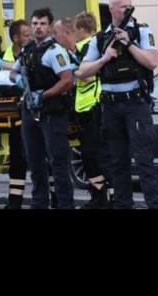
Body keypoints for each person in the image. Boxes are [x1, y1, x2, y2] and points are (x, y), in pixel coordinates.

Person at [76, 0, 158, 209]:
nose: (128, 10)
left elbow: (152, 62)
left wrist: (129, 43)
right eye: (124, 6)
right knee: (117, 162)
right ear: (113, 10)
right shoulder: (100, 38)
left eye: (130, 6)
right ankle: (123, 204)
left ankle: (155, 205)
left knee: (144, 160)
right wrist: (105, 58)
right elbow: (82, 72)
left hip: (135, 103)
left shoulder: (141, 31)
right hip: (110, 106)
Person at [9, 8, 75, 209]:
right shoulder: (28, 51)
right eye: (35, 24)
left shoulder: (55, 52)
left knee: (58, 162)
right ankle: (39, 203)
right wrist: (19, 79)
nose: (38, 28)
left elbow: (67, 81)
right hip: (30, 110)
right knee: (34, 161)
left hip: (51, 112)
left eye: (42, 24)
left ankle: (65, 204)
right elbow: (13, 73)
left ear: (49, 27)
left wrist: (43, 95)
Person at [53, 15, 113, 209]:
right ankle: (100, 197)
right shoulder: (92, 46)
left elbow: (87, 76)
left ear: (80, 29)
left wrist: (75, 71)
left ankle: (101, 198)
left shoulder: (87, 46)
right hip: (88, 106)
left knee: (92, 156)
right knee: (91, 156)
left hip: (91, 107)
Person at [0, 20, 31, 209]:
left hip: (33, 112)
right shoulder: (2, 56)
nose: (30, 38)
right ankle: (14, 202)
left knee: (43, 159)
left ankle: (54, 198)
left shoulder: (33, 52)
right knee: (17, 159)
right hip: (12, 116)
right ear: (15, 38)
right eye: (26, 35)